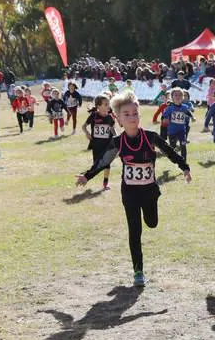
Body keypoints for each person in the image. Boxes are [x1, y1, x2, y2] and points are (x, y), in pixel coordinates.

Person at [75, 91, 191, 287]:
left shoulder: (151, 137)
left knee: (152, 223)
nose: (132, 117)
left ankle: (151, 213)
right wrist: (87, 176)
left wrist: (184, 167)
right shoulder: (118, 142)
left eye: (135, 113)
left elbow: (170, 152)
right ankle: (138, 271)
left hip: (149, 191)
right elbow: (103, 161)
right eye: (126, 114)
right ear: (118, 120)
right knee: (134, 230)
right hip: (129, 193)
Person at [82, 94, 117, 191]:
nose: (108, 106)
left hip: (107, 145)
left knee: (107, 164)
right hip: (96, 145)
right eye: (105, 104)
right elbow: (83, 126)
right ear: (98, 106)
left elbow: (113, 130)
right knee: (97, 165)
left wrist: (117, 139)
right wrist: (87, 133)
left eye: (108, 104)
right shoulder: (93, 116)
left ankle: (105, 183)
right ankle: (87, 175)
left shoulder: (110, 118)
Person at [161, 88, 194, 160]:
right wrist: (165, 119)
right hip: (172, 131)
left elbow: (188, 112)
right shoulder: (170, 108)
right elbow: (164, 115)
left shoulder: (184, 107)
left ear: (183, 97)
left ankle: (184, 162)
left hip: (182, 131)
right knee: (172, 146)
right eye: (176, 95)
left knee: (183, 145)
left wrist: (192, 117)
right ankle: (171, 157)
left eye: (180, 95)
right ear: (172, 97)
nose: (178, 97)